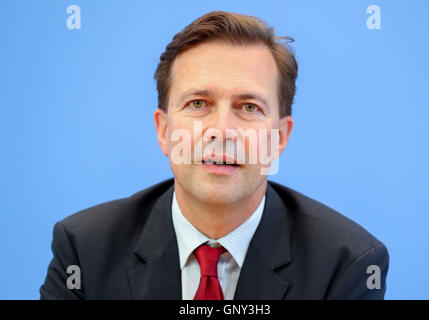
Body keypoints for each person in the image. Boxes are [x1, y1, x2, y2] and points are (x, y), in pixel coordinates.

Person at [40, 10, 389, 300]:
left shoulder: (347, 264)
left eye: (248, 106)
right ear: (163, 131)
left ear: (280, 137)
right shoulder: (84, 250)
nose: (222, 130)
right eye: (198, 104)